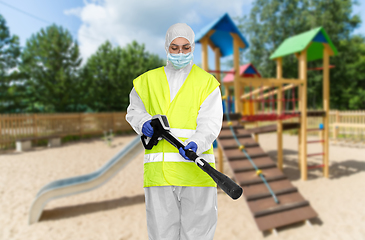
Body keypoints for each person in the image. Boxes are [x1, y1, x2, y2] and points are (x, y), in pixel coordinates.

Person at [126, 22, 223, 240]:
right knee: (161, 233)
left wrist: (197, 142)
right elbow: (134, 110)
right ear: (166, 48)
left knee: (198, 232)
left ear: (192, 49)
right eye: (175, 48)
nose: (180, 52)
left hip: (196, 171)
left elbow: (211, 122)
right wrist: (143, 123)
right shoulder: (147, 81)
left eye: (186, 47)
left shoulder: (206, 83)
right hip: (159, 173)